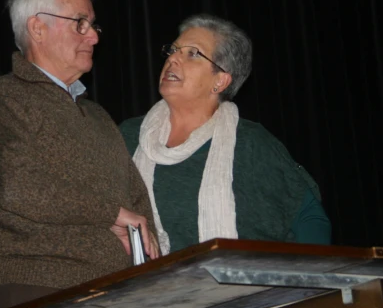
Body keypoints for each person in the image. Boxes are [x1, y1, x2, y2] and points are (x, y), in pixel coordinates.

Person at [0, 0, 158, 308]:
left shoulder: (97, 116)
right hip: (42, 300)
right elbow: (20, 188)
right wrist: (110, 213)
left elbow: (136, 202)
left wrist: (152, 272)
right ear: (37, 28)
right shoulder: (1, 100)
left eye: (94, 26)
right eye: (80, 23)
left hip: (117, 304)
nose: (94, 37)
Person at [120, 14, 331, 255]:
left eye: (193, 54)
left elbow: (309, 218)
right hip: (155, 289)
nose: (173, 58)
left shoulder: (250, 142)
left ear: (220, 81)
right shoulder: (128, 136)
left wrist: (309, 285)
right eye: (174, 50)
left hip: (249, 286)